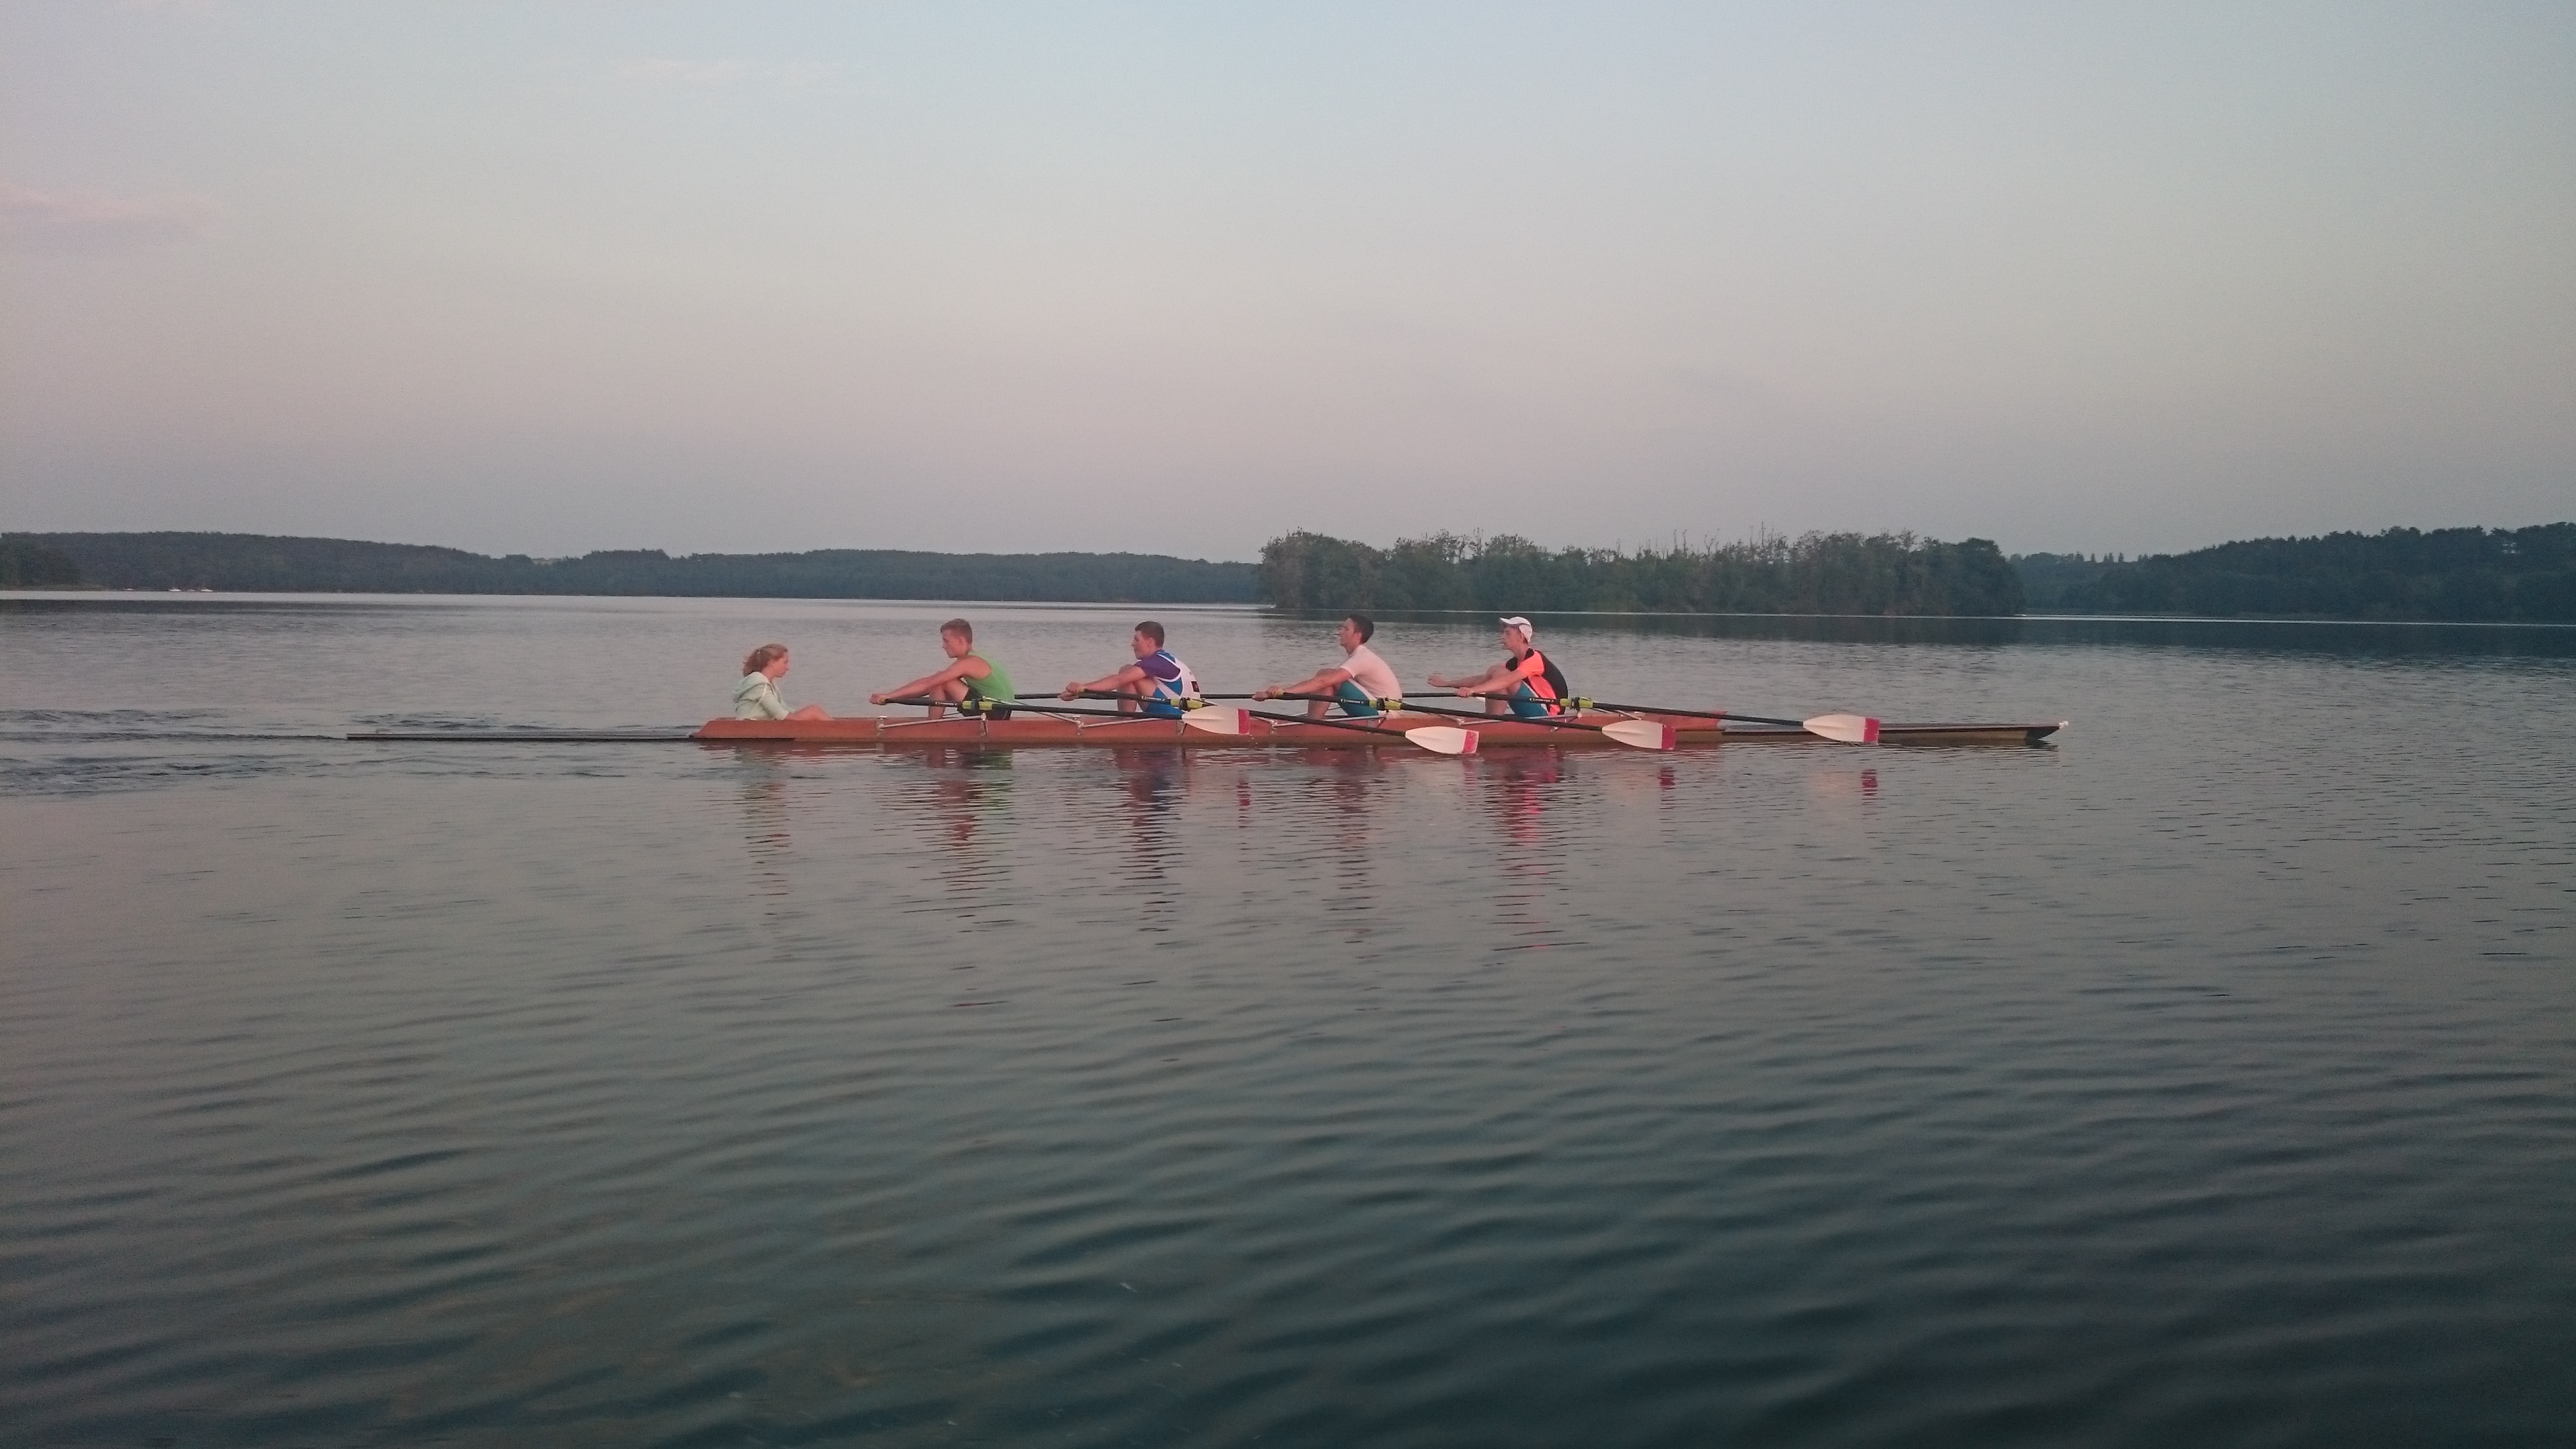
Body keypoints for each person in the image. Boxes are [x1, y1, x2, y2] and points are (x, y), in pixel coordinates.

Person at [1252, 613, 1403, 719]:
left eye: (1346, 629)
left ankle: (1312, 726)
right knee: (1325, 674)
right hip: (1373, 707)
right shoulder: (1353, 658)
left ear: (1357, 636)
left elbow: (1323, 682)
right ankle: (1312, 722)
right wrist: (1279, 692)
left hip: (1385, 713)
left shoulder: (1363, 658)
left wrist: (1283, 693)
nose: (1340, 632)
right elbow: (1317, 682)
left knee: (1328, 678)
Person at [870, 618, 1015, 718]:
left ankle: (933, 728)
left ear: (960, 641)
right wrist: (893, 697)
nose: (943, 646)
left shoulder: (970, 662)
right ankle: (935, 724)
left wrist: (889, 696)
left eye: (946, 641)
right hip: (999, 710)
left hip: (995, 714)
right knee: (940, 680)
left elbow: (929, 683)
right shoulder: (978, 657)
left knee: (940, 681)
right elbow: (927, 686)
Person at [1429, 616, 1568, 717]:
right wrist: (1446, 684)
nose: (1502, 637)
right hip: (1532, 708)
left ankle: (1492, 723)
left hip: (1549, 716)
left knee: (1499, 674)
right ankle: (1491, 720)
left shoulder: (1535, 659)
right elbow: (1482, 680)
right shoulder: (1512, 664)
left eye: (1507, 633)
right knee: (1496, 676)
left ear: (1520, 637)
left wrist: (1472, 691)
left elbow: (1506, 681)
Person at [1062, 621, 1202, 717]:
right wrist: (1082, 694)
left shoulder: (1158, 662)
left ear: (1150, 642)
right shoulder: (1166, 660)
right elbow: (1117, 687)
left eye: (1136, 639)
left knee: (1127, 672)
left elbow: (1119, 680)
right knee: (1129, 673)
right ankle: (1126, 720)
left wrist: (1083, 687)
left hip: (1178, 716)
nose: (1132, 644)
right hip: (1183, 712)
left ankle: (1125, 722)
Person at [735, 643, 830, 721]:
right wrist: (805, 722)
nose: (788, 668)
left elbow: (783, 708)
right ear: (772, 662)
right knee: (813, 711)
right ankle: (836, 732)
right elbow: (779, 714)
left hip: (764, 727)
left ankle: (834, 731)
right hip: (750, 729)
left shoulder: (770, 683)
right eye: (785, 662)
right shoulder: (759, 685)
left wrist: (807, 718)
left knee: (813, 711)